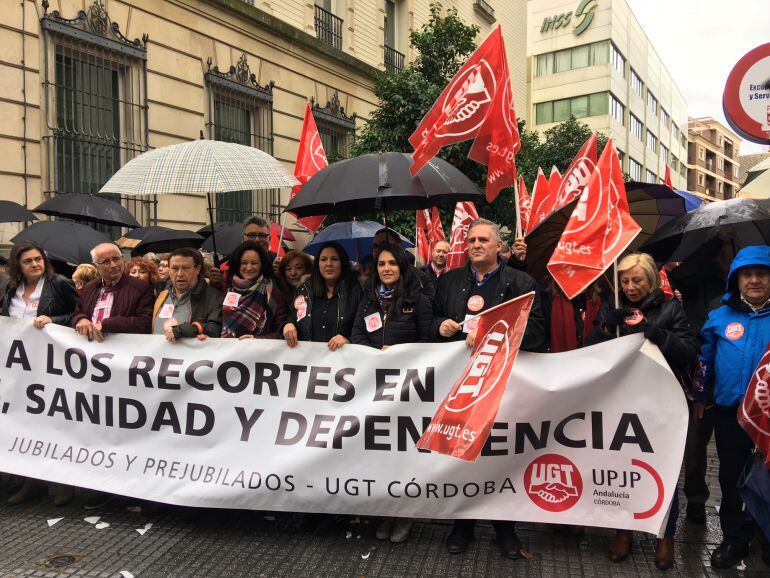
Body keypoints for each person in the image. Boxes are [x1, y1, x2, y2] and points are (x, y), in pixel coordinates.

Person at [431, 218, 545, 559]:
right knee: (461, 454)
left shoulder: (522, 283)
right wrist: (441, 326)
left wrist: (495, 333)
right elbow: (429, 321)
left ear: (499, 247)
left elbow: (539, 334)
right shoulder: (449, 281)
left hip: (503, 386)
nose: (476, 245)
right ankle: (462, 524)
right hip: (460, 386)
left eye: (483, 240)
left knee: (500, 455)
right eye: (471, 241)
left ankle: (504, 528)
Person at [589, 252, 697, 570]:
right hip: (623, 402)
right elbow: (591, 350)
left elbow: (689, 353)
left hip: (660, 403)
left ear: (650, 279)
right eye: (625, 280)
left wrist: (662, 336)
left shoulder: (670, 307)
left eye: (637, 280)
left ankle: (666, 535)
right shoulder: (613, 305)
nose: (631, 286)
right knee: (624, 467)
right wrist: (606, 328)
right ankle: (624, 530)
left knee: (662, 468)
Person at [350, 243, 432, 543]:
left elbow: (426, 343)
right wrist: (377, 354)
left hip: (407, 390)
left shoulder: (418, 301)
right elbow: (357, 334)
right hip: (374, 388)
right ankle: (385, 512)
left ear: (402, 267)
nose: (386, 268)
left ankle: (405, 513)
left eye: (392, 264)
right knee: (379, 453)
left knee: (404, 454)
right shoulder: (368, 300)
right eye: (382, 264)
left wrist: (396, 354)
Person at [696, 245, 770, 569]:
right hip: (730, 415)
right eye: (747, 274)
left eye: (762, 273)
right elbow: (705, 362)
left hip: (767, 418)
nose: (755, 280)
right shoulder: (719, 317)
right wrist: (700, 397)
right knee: (729, 478)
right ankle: (734, 540)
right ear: (736, 279)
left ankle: (765, 538)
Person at [1, 241, 79, 506]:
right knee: (28, 423)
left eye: (38, 259)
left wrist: (53, 321)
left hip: (53, 366)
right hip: (21, 368)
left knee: (55, 422)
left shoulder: (59, 283)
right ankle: (31, 481)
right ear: (17, 266)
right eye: (28, 261)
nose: (35, 264)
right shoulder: (11, 288)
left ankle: (63, 482)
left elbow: (79, 314)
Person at [668, 233, 735, 525]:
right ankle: (695, 498)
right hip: (701, 381)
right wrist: (711, 244)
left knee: (735, 451)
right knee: (694, 445)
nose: (724, 258)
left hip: (737, 384)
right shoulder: (699, 282)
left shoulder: (753, 284)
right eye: (719, 253)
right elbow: (680, 274)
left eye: (728, 252)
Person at [283, 242, 360, 350]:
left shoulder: (356, 292)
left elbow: (362, 330)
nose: (328, 264)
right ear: (317, 264)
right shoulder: (304, 290)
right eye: (323, 259)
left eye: (334, 259)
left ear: (342, 263)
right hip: (308, 361)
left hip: (341, 362)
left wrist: (349, 340)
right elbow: (292, 316)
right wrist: (288, 325)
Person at [71, 243, 154, 342]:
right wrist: (81, 319)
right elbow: (77, 312)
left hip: (122, 350)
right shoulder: (89, 288)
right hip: (90, 351)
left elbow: (145, 323)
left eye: (116, 259)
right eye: (106, 262)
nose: (113, 265)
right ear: (95, 265)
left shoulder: (141, 288)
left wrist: (107, 325)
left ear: (122, 258)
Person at [152, 248, 222, 341]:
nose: (180, 274)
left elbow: (215, 329)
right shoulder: (162, 295)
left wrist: (188, 329)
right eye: (175, 268)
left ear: (197, 269)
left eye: (185, 268)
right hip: (158, 354)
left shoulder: (213, 297)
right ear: (169, 270)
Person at [221, 241, 287, 339]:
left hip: (259, 352)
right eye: (244, 263)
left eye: (254, 263)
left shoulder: (273, 292)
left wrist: (257, 340)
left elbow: (281, 332)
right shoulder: (227, 288)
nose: (249, 267)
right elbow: (217, 324)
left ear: (262, 265)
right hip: (227, 351)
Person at [371, 227, 435, 300]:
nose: (379, 249)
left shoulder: (421, 280)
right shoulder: (370, 283)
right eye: (375, 246)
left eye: (384, 244)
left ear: (399, 246)